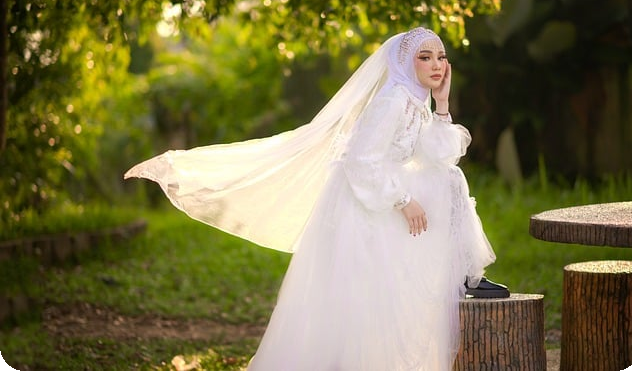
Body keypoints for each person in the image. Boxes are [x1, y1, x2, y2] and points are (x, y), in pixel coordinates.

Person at [124, 27, 508, 370]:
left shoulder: (416, 101)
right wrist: (404, 200)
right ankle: (458, 278)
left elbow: (440, 156)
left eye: (441, 57)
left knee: (449, 177)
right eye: (425, 57)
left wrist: (442, 104)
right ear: (406, 63)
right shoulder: (393, 100)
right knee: (360, 309)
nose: (437, 65)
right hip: (365, 200)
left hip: (386, 189)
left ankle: (465, 273)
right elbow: (361, 161)